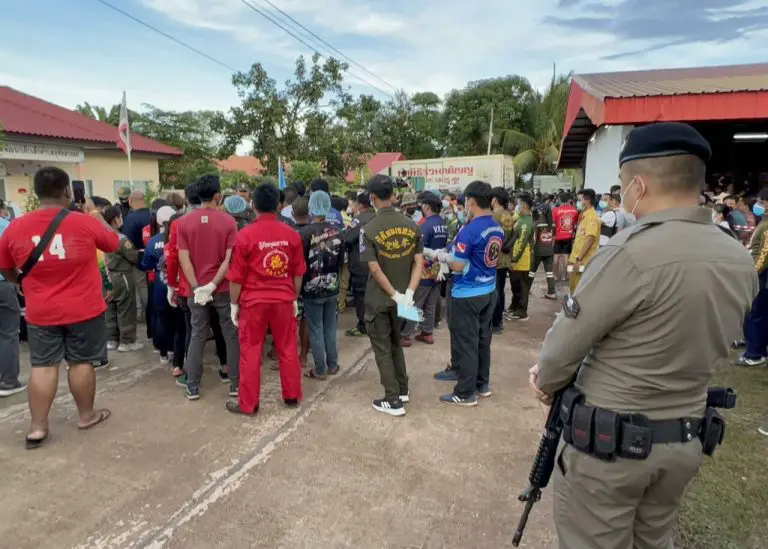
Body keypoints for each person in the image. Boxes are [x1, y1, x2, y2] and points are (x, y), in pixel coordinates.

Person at [529, 122, 758, 549]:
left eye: (621, 185)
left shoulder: (630, 251)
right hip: (684, 438)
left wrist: (545, 381)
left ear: (637, 185)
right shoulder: (736, 257)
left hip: (611, 451)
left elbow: (564, 347)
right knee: (654, 538)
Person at [0, 167, 120, 448]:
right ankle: (86, 416)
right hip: (84, 309)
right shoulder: (83, 222)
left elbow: (5, 265)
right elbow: (113, 242)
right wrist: (94, 213)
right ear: (67, 191)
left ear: (36, 193)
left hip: (41, 310)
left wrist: (19, 280)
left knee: (42, 366)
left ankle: (38, 428)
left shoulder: (15, 226)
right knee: (81, 362)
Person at [226, 183, 306, 415]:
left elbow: (236, 278)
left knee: (250, 351)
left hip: (253, 302)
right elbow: (298, 272)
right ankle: (292, 395)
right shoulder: (291, 235)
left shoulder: (245, 235)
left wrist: (234, 304)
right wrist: (294, 297)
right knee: (288, 348)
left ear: (253, 204)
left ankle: (249, 404)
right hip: (283, 298)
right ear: (280, 205)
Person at [429, 181, 502, 406]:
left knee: (466, 343)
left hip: (467, 293)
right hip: (489, 288)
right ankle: (482, 384)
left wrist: (439, 256)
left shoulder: (470, 230)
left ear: (470, 202)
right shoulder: (496, 226)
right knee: (482, 340)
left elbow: (458, 265)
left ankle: (465, 392)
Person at [360, 175, 423, 417]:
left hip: (380, 299)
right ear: (394, 196)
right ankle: (402, 388)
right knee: (396, 342)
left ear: (372, 198)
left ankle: (392, 399)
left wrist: (394, 294)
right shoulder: (412, 225)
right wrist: (407, 293)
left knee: (382, 348)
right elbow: (419, 263)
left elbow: (374, 270)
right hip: (404, 299)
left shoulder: (368, 229)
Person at [177, 174, 240, 401]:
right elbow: (228, 259)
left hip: (196, 290)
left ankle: (192, 386)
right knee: (230, 334)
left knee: (197, 335)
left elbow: (184, 260)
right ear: (218, 196)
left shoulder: (183, 223)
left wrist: (198, 288)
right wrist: (213, 285)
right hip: (222, 288)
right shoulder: (229, 222)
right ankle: (235, 384)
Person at [299, 191, 344, 380]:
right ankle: (332, 364)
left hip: (311, 287)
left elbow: (300, 263)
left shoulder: (304, 233)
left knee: (316, 328)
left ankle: (319, 369)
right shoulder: (338, 231)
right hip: (332, 284)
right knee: (330, 327)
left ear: (311, 207)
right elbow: (341, 261)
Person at [401, 192, 448, 345]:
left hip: (423, 269)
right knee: (431, 303)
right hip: (437, 270)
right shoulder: (442, 223)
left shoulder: (426, 225)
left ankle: (405, 335)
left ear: (426, 207)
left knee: (414, 302)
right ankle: (427, 332)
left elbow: (418, 247)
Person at [140, 206, 178, 365]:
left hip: (159, 285)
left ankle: (163, 352)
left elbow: (146, 263)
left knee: (161, 318)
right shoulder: (179, 238)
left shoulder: (153, 241)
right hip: (176, 284)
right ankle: (175, 351)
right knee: (177, 320)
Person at [103, 206, 142, 352]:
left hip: (106, 276)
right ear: (115, 220)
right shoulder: (122, 239)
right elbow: (133, 257)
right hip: (122, 276)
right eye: (120, 217)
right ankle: (127, 341)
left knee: (110, 309)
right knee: (126, 308)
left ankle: (112, 340)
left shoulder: (101, 237)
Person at [736, 188, 768, 367]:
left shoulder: (767, 226)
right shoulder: (764, 222)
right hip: (760, 275)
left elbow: (763, 255)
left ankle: (754, 354)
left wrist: (752, 274)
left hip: (760, 276)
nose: (758, 206)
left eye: (762, 202)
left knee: (754, 315)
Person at [0, 200, 25, 397]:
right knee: (8, 332)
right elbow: (15, 256)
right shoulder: (5, 226)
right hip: (3, 284)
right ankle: (8, 382)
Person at [344, 192, 375, 338]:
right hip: (377, 262)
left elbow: (347, 238)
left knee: (360, 296)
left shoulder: (359, 220)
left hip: (360, 263)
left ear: (360, 205)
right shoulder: (378, 217)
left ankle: (363, 326)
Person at [121, 190, 151, 324]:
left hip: (138, 257)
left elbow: (127, 241)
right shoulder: (153, 213)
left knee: (142, 287)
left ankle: (147, 313)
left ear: (130, 201)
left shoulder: (130, 218)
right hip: (155, 256)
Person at [489, 187, 515, 333]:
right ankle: (498, 321)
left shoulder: (495, 216)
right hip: (504, 258)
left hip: (496, 258)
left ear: (495, 200)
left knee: (495, 292)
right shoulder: (508, 215)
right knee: (501, 290)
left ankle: (495, 323)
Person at [507, 194, 535, 322]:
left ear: (524, 205)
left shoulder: (526, 223)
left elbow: (522, 242)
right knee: (515, 284)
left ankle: (522, 311)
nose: (517, 206)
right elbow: (511, 221)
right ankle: (514, 306)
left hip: (522, 258)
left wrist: (514, 259)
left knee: (522, 286)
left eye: (519, 204)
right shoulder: (521, 218)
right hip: (517, 256)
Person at [568, 189, 600, 293]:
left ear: (586, 201)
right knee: (572, 284)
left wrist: (579, 259)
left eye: (579, 200)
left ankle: (576, 307)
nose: (578, 202)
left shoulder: (592, 217)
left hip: (582, 260)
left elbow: (590, 239)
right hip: (575, 258)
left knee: (578, 287)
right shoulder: (584, 214)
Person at [530, 204, 557, 299]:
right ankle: (552, 292)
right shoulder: (552, 223)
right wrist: (549, 247)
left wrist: (532, 249)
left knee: (532, 271)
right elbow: (554, 238)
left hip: (538, 250)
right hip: (549, 250)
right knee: (549, 272)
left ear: (542, 211)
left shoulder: (538, 222)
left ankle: (527, 289)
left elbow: (534, 238)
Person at [552, 194, 578, 281]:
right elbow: (575, 222)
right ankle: (564, 276)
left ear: (560, 200)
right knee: (566, 257)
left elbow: (554, 223)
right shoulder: (575, 210)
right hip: (569, 236)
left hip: (558, 235)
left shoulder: (555, 210)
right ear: (569, 200)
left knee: (556, 257)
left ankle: (555, 276)